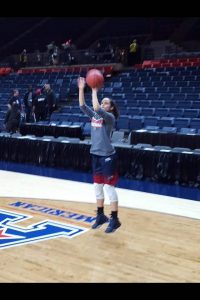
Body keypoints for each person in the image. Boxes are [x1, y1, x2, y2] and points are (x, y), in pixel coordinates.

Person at [78, 77, 121, 233]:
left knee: (109, 188)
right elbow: (82, 105)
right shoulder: (95, 117)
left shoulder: (110, 118)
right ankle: (101, 215)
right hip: (95, 154)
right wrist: (82, 89)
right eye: (102, 102)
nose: (103, 104)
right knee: (97, 187)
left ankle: (115, 219)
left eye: (106, 103)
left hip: (107, 156)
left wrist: (94, 90)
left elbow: (96, 108)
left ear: (110, 108)